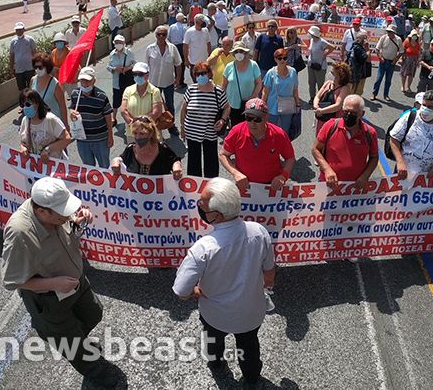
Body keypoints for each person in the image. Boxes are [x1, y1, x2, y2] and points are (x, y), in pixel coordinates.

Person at [1, 177, 119, 389]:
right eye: (62, 213)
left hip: (75, 282)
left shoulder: (57, 216)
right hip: (50, 298)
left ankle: (67, 338)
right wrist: (55, 283)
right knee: (72, 344)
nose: (67, 215)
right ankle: (94, 369)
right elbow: (11, 280)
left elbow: (67, 231)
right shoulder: (19, 233)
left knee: (94, 313)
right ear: (42, 212)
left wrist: (77, 222)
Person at [172, 177, 275, 386]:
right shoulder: (259, 232)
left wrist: (197, 292)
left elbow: (181, 291)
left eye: (202, 203)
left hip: (215, 315)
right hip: (251, 312)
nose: (199, 205)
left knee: (213, 342)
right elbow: (269, 271)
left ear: (216, 216)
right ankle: (252, 376)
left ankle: (216, 363)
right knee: (249, 346)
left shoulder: (203, 249)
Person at [220, 98, 295, 191]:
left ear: (266, 118)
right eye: (248, 118)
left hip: (271, 185)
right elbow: (223, 155)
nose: (252, 123)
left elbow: (290, 157)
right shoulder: (236, 132)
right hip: (245, 184)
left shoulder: (279, 134)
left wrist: (284, 175)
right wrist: (236, 173)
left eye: (257, 119)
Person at [312, 94, 379, 189]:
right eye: (346, 112)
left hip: (354, 187)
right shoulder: (331, 126)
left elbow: (374, 157)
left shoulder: (369, 132)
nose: (349, 115)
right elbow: (316, 149)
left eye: (354, 113)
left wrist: (366, 175)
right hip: (328, 183)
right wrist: (327, 169)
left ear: (362, 114)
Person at [390, 90, 433, 178]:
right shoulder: (409, 117)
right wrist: (400, 162)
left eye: (430, 107)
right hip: (404, 173)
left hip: (427, 179)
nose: (425, 109)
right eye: (424, 105)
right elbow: (394, 139)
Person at [181, 62, 229, 178]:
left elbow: (227, 107)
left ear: (209, 74)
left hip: (210, 131)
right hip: (192, 131)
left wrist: (222, 120)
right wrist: (183, 128)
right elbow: (183, 110)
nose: (201, 76)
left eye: (204, 73)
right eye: (198, 74)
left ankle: (211, 186)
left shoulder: (218, 91)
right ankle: (194, 186)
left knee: (211, 161)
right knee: (193, 162)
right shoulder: (191, 89)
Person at [69, 67, 114, 168]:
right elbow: (72, 108)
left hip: (100, 139)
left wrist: (110, 135)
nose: (85, 84)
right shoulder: (75, 94)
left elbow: (108, 116)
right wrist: (72, 112)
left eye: (88, 81)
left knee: (104, 166)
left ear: (94, 81)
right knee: (88, 168)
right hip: (82, 139)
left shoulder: (101, 96)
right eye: (82, 80)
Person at [111, 116, 182, 179]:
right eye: (135, 133)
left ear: (151, 133)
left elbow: (174, 160)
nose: (138, 137)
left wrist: (177, 166)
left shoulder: (162, 149)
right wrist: (116, 161)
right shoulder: (131, 149)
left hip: (159, 193)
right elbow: (122, 159)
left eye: (142, 134)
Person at [145, 25, 182, 136]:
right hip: (153, 83)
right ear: (155, 35)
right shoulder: (149, 49)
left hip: (168, 82)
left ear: (167, 35)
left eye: (164, 34)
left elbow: (178, 64)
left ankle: (171, 125)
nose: (161, 36)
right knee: (153, 106)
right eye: (159, 34)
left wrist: (178, 78)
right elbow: (146, 66)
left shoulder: (172, 48)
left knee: (169, 105)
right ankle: (153, 126)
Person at [19, 88, 73, 163]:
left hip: (55, 167)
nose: (25, 107)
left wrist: (48, 149)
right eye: (22, 105)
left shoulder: (50, 119)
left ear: (37, 104)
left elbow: (67, 139)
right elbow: (23, 140)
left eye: (28, 104)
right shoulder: (25, 120)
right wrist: (23, 148)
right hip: (36, 168)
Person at [120, 62, 164, 139]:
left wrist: (140, 126)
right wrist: (134, 126)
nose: (137, 76)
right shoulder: (128, 90)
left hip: (150, 133)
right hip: (133, 133)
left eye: (140, 74)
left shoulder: (155, 91)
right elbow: (124, 111)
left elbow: (156, 112)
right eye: (135, 74)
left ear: (147, 75)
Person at [222, 44, 262, 127]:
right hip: (233, 104)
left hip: (250, 104)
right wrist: (225, 102)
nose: (239, 53)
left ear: (245, 52)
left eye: (241, 51)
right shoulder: (229, 66)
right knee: (237, 128)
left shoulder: (253, 65)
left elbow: (259, 83)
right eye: (236, 52)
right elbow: (224, 85)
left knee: (251, 127)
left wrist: (252, 97)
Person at [262, 48, 300, 134]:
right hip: (272, 107)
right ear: (275, 59)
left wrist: (298, 104)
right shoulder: (270, 73)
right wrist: (263, 106)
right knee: (271, 130)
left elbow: (295, 89)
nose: (282, 60)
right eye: (279, 58)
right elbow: (265, 91)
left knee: (285, 131)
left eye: (284, 58)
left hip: (288, 105)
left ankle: (283, 147)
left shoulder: (293, 72)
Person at [30, 53, 69, 128]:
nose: (37, 70)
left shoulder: (55, 84)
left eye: (40, 67)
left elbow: (62, 105)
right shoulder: (33, 80)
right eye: (35, 67)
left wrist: (66, 124)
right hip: (40, 123)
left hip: (55, 124)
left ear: (47, 67)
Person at [107, 35, 135, 126]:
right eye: (116, 42)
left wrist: (127, 68)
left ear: (124, 43)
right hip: (117, 81)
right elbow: (108, 66)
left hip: (127, 80)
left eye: (120, 42)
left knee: (129, 100)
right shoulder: (112, 54)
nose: (118, 44)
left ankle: (130, 117)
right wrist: (114, 68)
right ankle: (114, 118)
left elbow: (135, 63)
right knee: (116, 100)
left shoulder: (129, 52)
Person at [371, 24, 405, 101]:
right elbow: (377, 49)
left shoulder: (398, 40)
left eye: (390, 32)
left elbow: (401, 51)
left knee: (388, 80)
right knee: (379, 78)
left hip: (391, 62)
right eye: (388, 31)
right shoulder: (383, 38)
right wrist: (380, 57)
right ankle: (374, 93)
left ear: (394, 33)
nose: (388, 33)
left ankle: (386, 94)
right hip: (383, 61)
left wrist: (396, 59)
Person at [307, 26, 335, 101]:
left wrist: (325, 54)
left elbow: (332, 47)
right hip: (311, 64)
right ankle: (312, 97)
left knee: (320, 83)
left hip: (320, 65)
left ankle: (320, 98)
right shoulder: (312, 40)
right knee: (311, 82)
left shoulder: (322, 42)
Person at [9, 22, 37, 91]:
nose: (18, 31)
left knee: (31, 87)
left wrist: (36, 66)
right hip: (19, 70)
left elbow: (35, 54)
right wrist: (11, 69)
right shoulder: (13, 42)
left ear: (24, 30)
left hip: (29, 68)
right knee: (22, 89)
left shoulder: (30, 40)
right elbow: (12, 56)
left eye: (20, 29)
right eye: (17, 30)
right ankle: (24, 101)